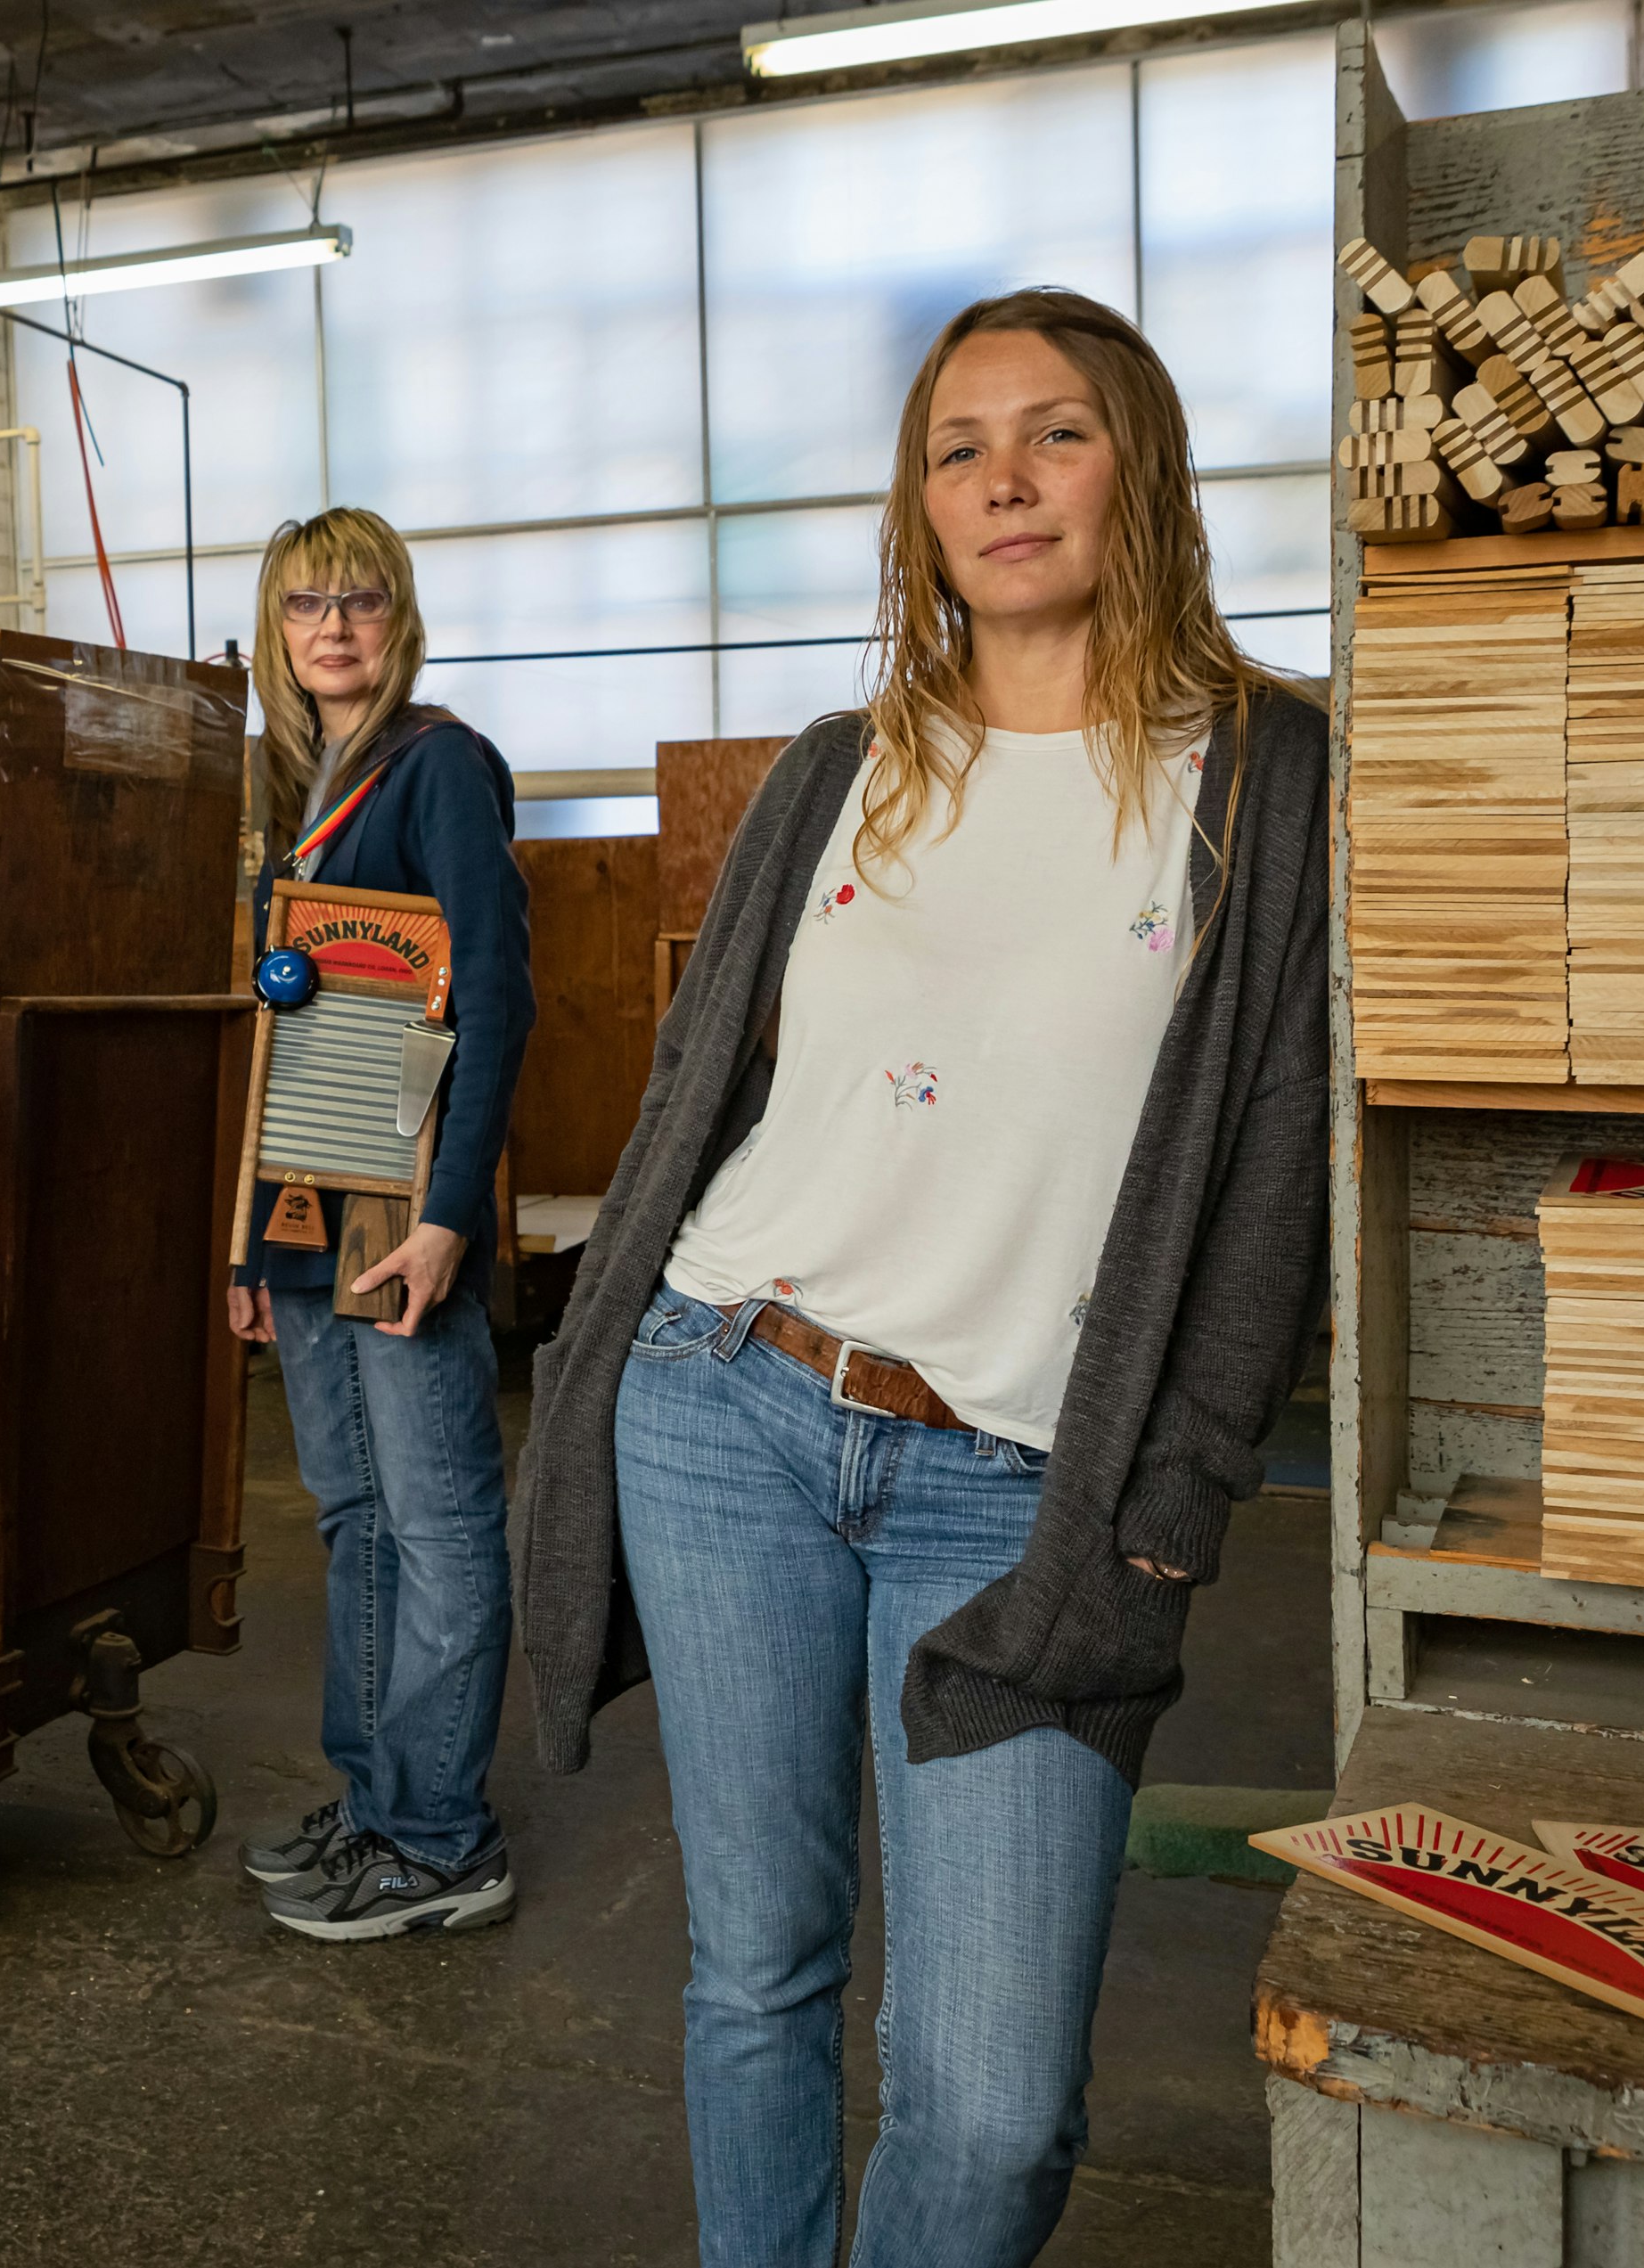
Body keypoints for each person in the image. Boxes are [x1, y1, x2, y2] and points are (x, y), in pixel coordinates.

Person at [516, 290, 1330, 2263]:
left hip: (1021, 1485)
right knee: (758, 1971)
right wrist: (607, 1356)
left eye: (1054, 433)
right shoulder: (834, 772)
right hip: (729, 1403)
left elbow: (1280, 1177)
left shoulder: (1263, 779)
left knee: (989, 2102)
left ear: (1137, 460)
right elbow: (704, 1099)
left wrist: (1171, 1507)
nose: (1005, 481)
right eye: (959, 447)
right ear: (919, 504)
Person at [229, 505, 536, 1942]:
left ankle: (442, 1837)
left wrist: (455, 1220)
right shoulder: (294, 790)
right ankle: (378, 1799)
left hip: (403, 1214)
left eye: (358, 600)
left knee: (440, 1523)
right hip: (308, 1212)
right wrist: (247, 1247)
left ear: (396, 616)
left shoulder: (440, 770)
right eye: (305, 605)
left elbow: (495, 1006)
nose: (333, 626)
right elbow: (276, 1043)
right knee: (355, 1519)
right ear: (275, 632)